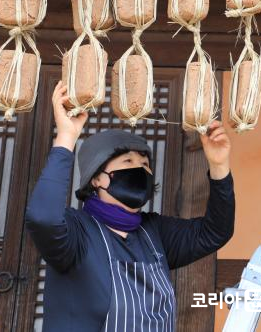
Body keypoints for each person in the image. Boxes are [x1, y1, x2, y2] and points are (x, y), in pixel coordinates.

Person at [26, 82, 235, 331]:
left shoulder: (154, 232)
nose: (139, 169)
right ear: (96, 178)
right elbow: (43, 217)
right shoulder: (76, 232)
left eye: (145, 164)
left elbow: (215, 232)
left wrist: (219, 166)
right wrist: (66, 137)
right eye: (128, 161)